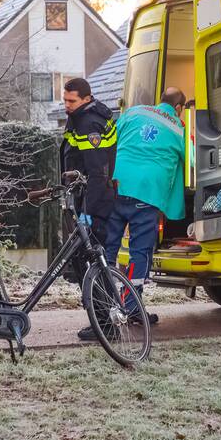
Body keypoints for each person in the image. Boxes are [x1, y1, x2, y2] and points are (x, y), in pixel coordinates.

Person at [78, 87, 186, 339]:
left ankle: (103, 310)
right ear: (179, 108)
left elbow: (113, 139)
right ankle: (132, 307)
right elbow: (190, 160)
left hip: (117, 185)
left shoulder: (134, 111)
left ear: (160, 101)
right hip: (147, 193)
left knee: (107, 250)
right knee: (140, 252)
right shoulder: (178, 128)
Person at [60, 77, 117, 283]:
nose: (66, 105)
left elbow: (98, 172)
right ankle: (102, 310)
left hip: (94, 200)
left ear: (86, 99)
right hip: (84, 195)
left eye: (71, 101)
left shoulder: (89, 123)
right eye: (64, 100)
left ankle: (106, 312)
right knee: (87, 262)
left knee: (95, 261)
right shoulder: (79, 114)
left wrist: (88, 212)